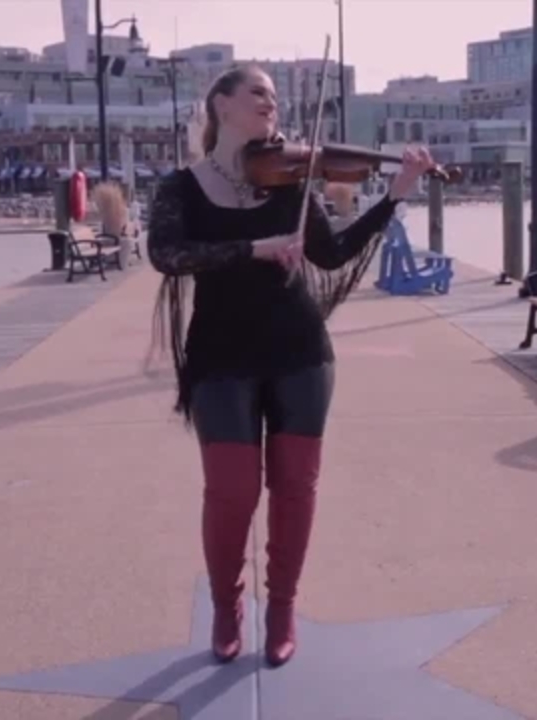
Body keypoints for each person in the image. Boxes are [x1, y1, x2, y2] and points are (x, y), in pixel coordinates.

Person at [146, 64, 435, 667]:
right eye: (258, 93)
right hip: (221, 353)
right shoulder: (181, 187)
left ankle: (282, 608)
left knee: (296, 487)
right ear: (222, 105)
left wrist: (396, 193)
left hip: (299, 350)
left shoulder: (290, 183)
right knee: (231, 491)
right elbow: (168, 255)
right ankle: (227, 606)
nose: (270, 104)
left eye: (275, 97)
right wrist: (256, 249)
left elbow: (332, 254)